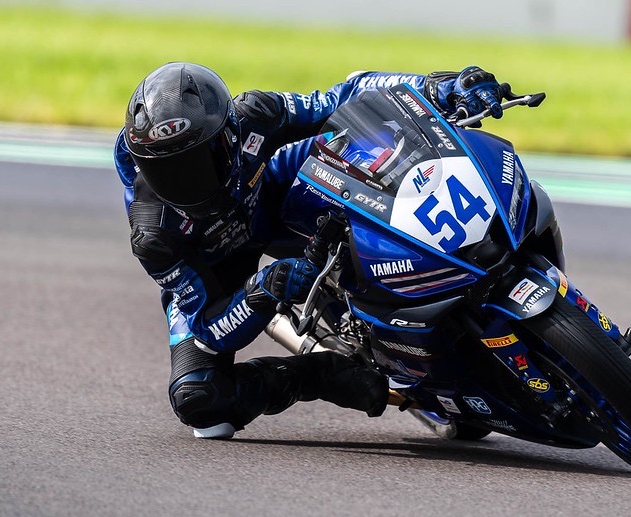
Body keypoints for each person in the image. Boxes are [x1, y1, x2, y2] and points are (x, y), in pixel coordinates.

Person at [114, 62, 505, 439]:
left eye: (196, 163)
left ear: (228, 136)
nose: (185, 184)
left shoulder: (254, 114)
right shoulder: (154, 237)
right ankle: (323, 373)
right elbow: (208, 329)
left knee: (359, 142)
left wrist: (437, 88)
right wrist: (262, 289)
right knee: (200, 400)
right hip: (216, 267)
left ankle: (439, 262)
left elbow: (348, 93)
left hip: (267, 194)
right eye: (166, 172)